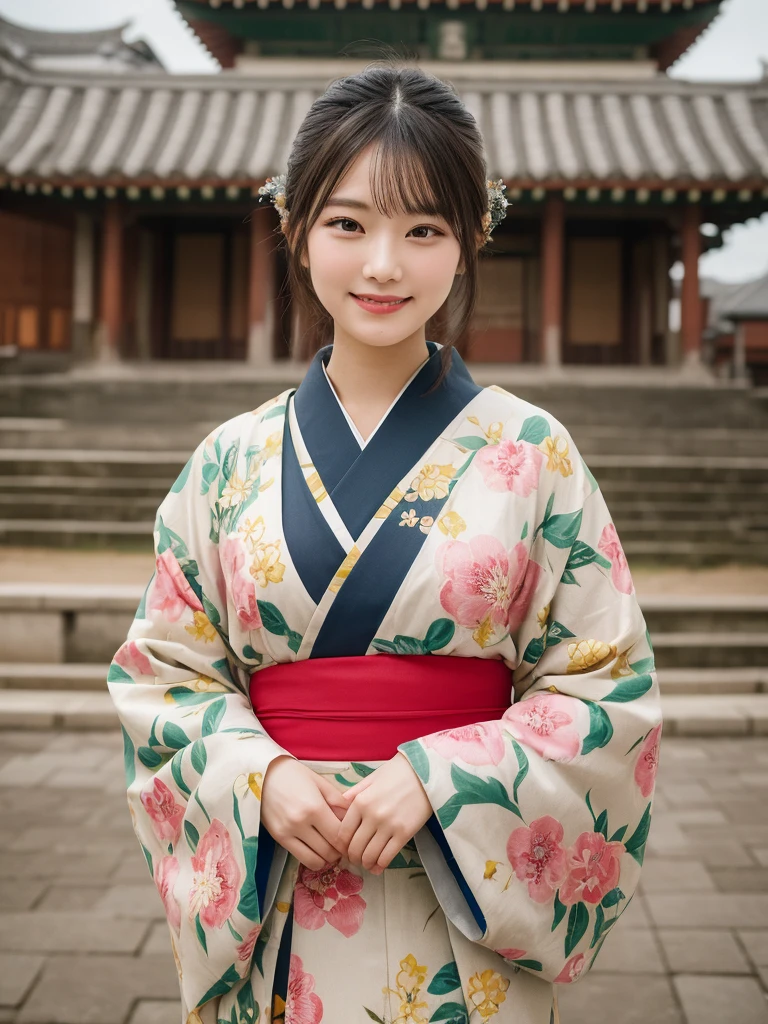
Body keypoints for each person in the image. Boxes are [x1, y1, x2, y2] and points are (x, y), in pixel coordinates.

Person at [108, 61, 662, 1024]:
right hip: (278, 895)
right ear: (297, 229)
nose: (383, 265)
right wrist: (257, 773)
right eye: (348, 223)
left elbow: (605, 687)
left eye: (424, 230)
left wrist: (442, 777)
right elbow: (165, 674)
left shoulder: (532, 451)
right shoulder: (227, 460)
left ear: (469, 239)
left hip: (461, 916)